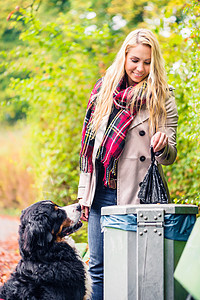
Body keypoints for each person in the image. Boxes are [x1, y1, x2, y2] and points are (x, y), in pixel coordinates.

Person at [78, 28, 178, 300]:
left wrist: (163, 145)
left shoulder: (162, 97)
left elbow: (171, 155)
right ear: (124, 56)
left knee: (136, 270)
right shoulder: (103, 91)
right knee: (99, 268)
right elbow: (89, 149)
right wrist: (83, 194)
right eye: (135, 60)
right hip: (101, 192)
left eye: (147, 62)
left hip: (137, 195)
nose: (140, 68)